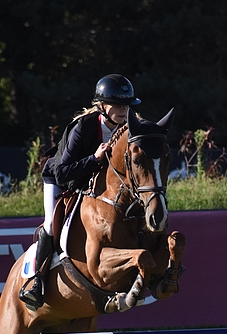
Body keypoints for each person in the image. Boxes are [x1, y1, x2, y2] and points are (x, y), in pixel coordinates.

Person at [19, 74, 141, 309]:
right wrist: (94, 159)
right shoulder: (83, 127)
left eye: (127, 105)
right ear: (103, 106)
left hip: (93, 184)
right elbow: (63, 172)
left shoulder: (129, 127)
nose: (124, 110)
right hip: (60, 180)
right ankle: (36, 280)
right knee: (51, 225)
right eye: (118, 105)